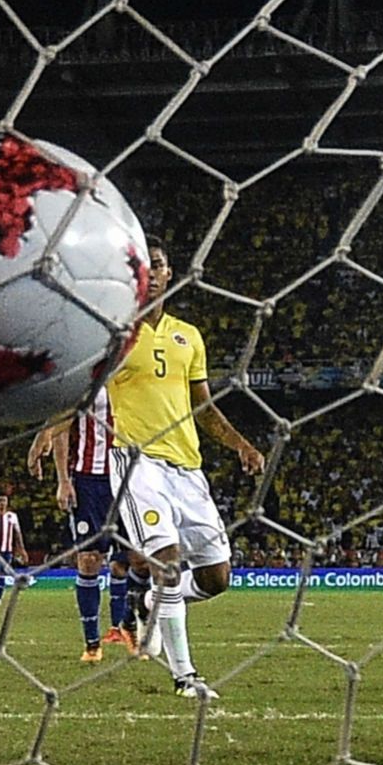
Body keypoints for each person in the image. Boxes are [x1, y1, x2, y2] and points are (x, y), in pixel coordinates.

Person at [107, 241, 265, 698]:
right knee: (169, 561)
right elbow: (81, 391)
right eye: (142, 267)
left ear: (170, 272)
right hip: (136, 462)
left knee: (217, 579)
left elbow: (205, 408)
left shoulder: (188, 336)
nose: (151, 273)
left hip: (187, 468)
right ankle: (185, 676)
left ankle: (154, 601)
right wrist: (49, 432)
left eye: (156, 264)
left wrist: (241, 445)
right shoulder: (116, 334)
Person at [28, 387, 135, 663]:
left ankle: (129, 626)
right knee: (88, 560)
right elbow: (64, 426)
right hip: (89, 482)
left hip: (132, 478)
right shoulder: (87, 379)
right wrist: (63, 480)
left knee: (130, 561)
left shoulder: (135, 372)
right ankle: (91, 643)